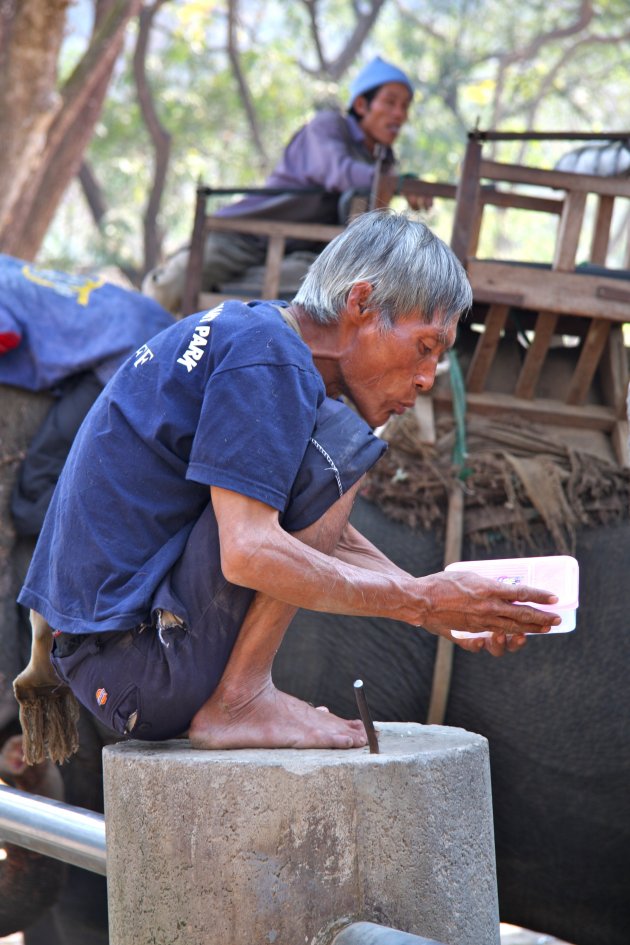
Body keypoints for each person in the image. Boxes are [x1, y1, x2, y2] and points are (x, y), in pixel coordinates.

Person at [16, 210, 560, 759]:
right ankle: (240, 700)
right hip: (136, 663)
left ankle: (240, 695)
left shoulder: (259, 336)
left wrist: (442, 605)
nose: (425, 378)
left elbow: (318, 531)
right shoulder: (270, 358)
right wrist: (419, 602)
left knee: (331, 446)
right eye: (424, 346)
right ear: (361, 303)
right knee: (340, 445)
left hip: (115, 660)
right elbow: (251, 551)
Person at [143, 56, 430, 312]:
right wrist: (398, 184)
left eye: (405, 107)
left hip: (296, 254)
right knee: (173, 286)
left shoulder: (383, 159)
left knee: (329, 299)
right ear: (361, 104)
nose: (400, 114)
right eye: (390, 102)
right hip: (245, 236)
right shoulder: (328, 127)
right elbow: (338, 171)